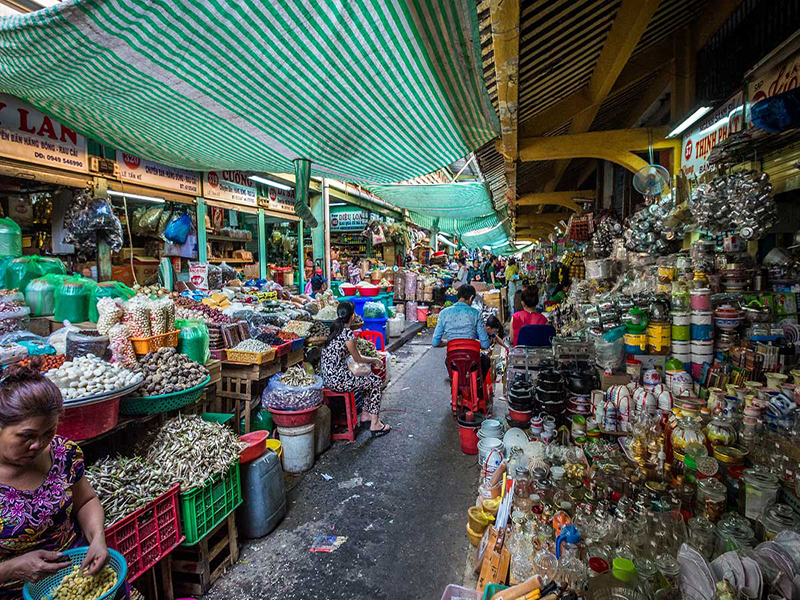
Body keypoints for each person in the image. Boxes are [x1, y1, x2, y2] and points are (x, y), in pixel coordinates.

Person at [0, 361, 109, 597]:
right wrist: (11, 569)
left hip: (76, 575)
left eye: (48, 432)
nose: (38, 445)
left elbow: (86, 501)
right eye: (26, 436)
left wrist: (97, 538)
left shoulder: (62, 453)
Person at [320, 302, 391, 437]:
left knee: (366, 380)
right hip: (338, 381)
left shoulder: (335, 330)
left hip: (328, 379)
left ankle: (365, 415)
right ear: (352, 316)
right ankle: (375, 424)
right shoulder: (347, 334)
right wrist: (374, 360)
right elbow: (357, 358)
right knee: (375, 382)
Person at [432, 285, 492, 375]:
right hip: (472, 358)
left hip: (453, 359)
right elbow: (485, 344)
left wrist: (449, 342)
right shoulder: (476, 313)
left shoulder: (443, 313)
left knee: (447, 362)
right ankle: (479, 387)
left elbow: (435, 342)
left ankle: (455, 384)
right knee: (486, 361)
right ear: (471, 298)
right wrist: (473, 342)